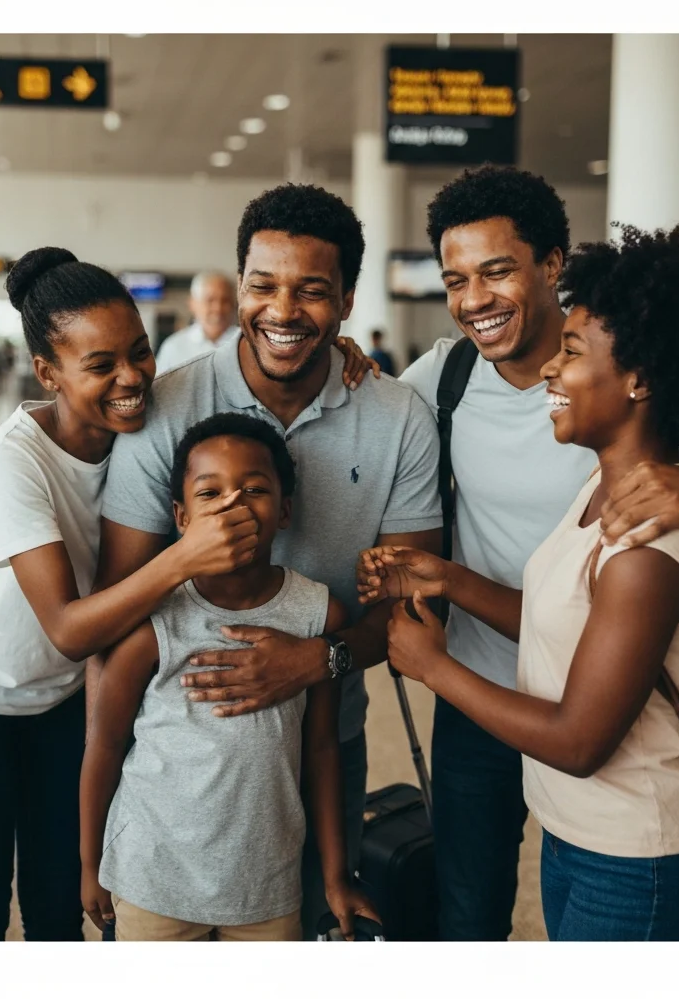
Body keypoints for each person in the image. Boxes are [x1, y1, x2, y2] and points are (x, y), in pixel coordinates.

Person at [0, 247, 379, 943]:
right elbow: (70, 629)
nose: (131, 377)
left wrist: (335, 352)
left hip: (62, 700)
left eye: (140, 352)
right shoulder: (16, 461)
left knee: (54, 905)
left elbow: (233, 379)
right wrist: (182, 560)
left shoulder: (147, 417)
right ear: (48, 373)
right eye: (100, 366)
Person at [396, 164, 679, 941]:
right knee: (468, 915)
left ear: (552, 266)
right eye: (455, 279)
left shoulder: (633, 365)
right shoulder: (443, 382)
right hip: (493, 685)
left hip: (613, 758)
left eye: (497, 270)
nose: (474, 298)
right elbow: (355, 415)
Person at [93, 182, 443, 940]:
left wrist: (320, 662)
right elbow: (119, 600)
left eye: (312, 291)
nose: (283, 311)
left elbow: (417, 609)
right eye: (263, 285)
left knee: (311, 931)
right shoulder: (168, 409)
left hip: (321, 742)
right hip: (172, 756)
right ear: (238, 285)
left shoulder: (398, 420)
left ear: (347, 301)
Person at [81, 413, 377, 941]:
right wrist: (88, 864)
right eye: (209, 491)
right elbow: (104, 745)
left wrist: (335, 877)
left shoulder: (319, 617)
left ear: (285, 510)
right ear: (181, 515)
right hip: (153, 880)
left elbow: (323, 750)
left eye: (255, 489)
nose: (233, 504)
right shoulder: (151, 624)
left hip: (266, 889)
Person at [155, 271, 239, 373]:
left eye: (225, 300)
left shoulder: (247, 342)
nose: (218, 308)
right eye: (210, 300)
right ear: (192, 303)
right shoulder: (173, 347)